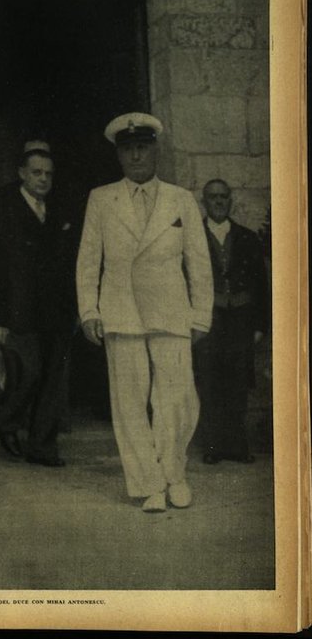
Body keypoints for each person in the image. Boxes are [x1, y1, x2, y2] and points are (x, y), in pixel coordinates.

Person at [76, 113, 213, 512]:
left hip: (171, 311)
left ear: (155, 151)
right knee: (129, 401)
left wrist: (200, 315)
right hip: (120, 310)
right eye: (128, 149)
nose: (136, 156)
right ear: (118, 155)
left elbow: (198, 262)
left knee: (178, 398)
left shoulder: (180, 199)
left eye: (142, 148)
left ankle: (174, 475)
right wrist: (89, 311)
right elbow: (88, 260)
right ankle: (148, 484)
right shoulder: (102, 199)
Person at [0, 149, 77, 467]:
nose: (43, 179)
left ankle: (42, 446)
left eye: (48, 174)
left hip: (57, 309)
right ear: (22, 174)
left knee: (53, 379)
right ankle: (7, 422)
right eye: (36, 173)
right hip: (21, 309)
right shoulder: (5, 210)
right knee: (29, 372)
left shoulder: (58, 208)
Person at [194, 179, 269, 464]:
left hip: (240, 320)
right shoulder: (193, 236)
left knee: (238, 383)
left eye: (223, 196)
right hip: (208, 319)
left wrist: (260, 325)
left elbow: (261, 285)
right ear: (204, 202)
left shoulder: (247, 237)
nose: (218, 201)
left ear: (230, 201)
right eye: (212, 197)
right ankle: (213, 447)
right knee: (210, 381)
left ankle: (238, 447)